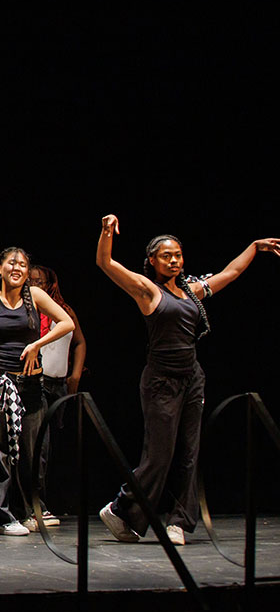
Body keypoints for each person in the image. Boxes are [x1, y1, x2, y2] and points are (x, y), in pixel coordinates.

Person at [95, 216, 278, 546]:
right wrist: (107, 232)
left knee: (189, 452)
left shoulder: (192, 292)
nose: (174, 260)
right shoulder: (147, 290)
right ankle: (122, 508)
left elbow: (230, 274)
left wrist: (253, 248)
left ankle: (178, 521)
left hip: (192, 378)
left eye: (178, 254)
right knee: (159, 455)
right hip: (161, 380)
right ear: (152, 260)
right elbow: (105, 262)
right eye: (166, 255)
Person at [0, 224, 87, 527]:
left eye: (23, 264)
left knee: (32, 449)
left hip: (33, 381)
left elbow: (67, 325)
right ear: (0, 268)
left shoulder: (35, 296)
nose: (18, 268)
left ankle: (32, 508)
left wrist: (37, 343)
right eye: (12, 263)